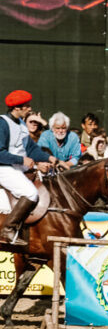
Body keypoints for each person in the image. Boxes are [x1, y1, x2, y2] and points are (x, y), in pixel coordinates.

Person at [0, 90, 58, 245]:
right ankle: (8, 229)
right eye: (26, 106)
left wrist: (49, 157)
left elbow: (32, 149)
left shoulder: (21, 125)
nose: (29, 108)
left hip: (17, 167)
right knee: (31, 193)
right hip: (4, 168)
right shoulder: (3, 123)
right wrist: (21, 159)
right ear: (17, 108)